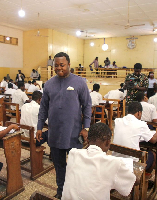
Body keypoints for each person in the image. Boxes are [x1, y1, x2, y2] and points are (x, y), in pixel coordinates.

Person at [37, 52, 92, 199]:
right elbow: (43, 108)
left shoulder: (79, 82)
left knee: (76, 166)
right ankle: (61, 191)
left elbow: (87, 106)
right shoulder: (48, 84)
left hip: (74, 134)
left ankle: (76, 192)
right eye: (56, 65)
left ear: (68, 64)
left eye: (62, 65)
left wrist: (86, 127)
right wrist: (39, 127)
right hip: (54, 134)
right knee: (59, 166)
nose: (59, 68)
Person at [62, 123, 136, 199]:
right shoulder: (114, 163)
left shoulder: (73, 154)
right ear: (108, 142)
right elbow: (130, 185)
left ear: (87, 140)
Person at [112, 101, 157, 187]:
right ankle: (140, 181)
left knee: (137, 150)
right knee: (153, 155)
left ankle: (138, 179)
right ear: (139, 112)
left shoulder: (118, 121)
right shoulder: (141, 124)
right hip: (131, 165)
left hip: (116, 160)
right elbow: (153, 140)